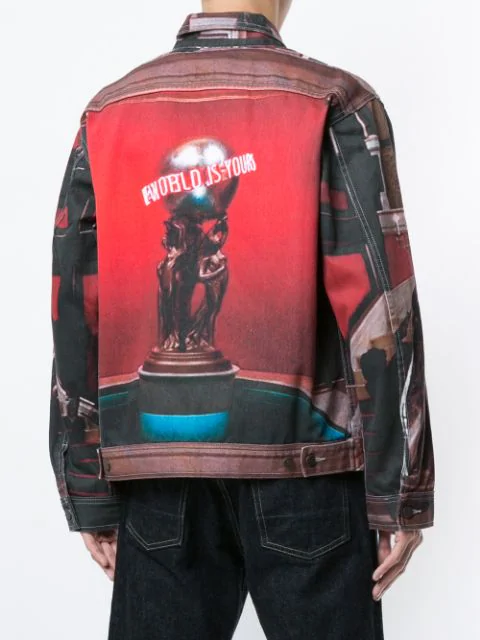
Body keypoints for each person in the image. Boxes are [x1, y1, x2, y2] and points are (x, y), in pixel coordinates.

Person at [49, 0, 435, 637]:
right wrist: (400, 487)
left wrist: (85, 482)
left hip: (156, 470)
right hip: (306, 466)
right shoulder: (333, 101)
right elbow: (379, 302)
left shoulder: (109, 111)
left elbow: (73, 301)